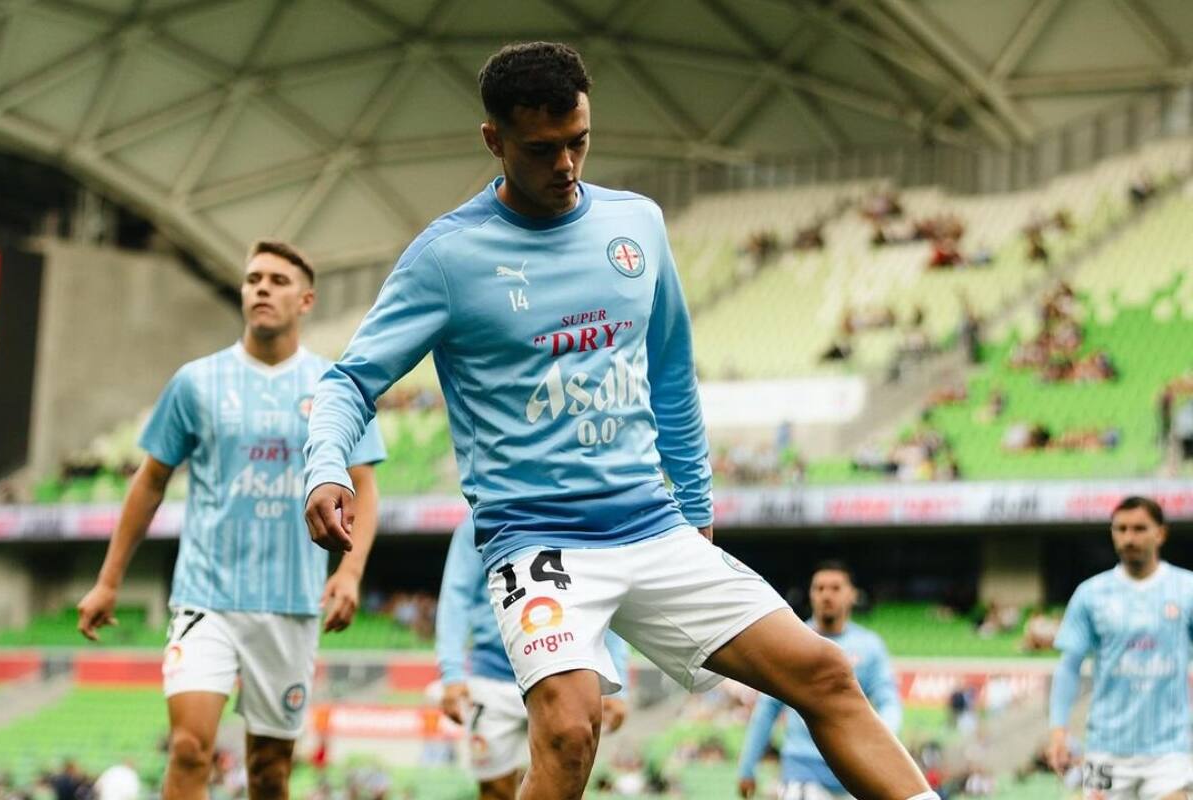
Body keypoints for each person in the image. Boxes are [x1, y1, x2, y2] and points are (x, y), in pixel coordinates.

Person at [303, 41, 934, 800]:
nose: (566, 165)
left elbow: (670, 368)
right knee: (572, 731)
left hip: (650, 525)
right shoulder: (449, 257)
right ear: (493, 140)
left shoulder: (637, 224)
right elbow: (348, 382)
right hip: (536, 538)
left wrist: (697, 507)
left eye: (579, 142)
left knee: (825, 674)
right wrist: (326, 467)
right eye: (543, 149)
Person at [76, 240, 386, 800]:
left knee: (269, 772)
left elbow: (363, 484)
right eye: (252, 279)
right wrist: (108, 581)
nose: (261, 288)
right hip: (206, 597)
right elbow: (149, 481)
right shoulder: (196, 381)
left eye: (277, 280)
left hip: (290, 604)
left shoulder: (335, 386)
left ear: (307, 299)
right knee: (190, 749)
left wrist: (350, 571)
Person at [436, 514, 630, 799]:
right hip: (493, 677)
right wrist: (452, 673)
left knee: (568, 781)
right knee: (494, 790)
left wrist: (617, 680)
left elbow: (602, 596)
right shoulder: (478, 523)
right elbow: (456, 594)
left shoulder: (578, 514)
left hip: (565, 671)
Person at [1048, 496, 1193, 800]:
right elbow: (1069, 665)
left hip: (1170, 749)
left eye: (1140, 528)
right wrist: (1058, 729)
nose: (1129, 537)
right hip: (1104, 749)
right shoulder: (1091, 594)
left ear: (1161, 533)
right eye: (1121, 529)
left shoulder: (1186, 589)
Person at [737, 562, 902, 800]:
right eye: (819, 588)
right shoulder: (792, 642)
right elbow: (768, 708)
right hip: (802, 770)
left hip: (856, 771)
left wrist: (883, 740)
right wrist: (747, 766)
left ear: (852, 595)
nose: (826, 595)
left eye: (835, 588)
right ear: (811, 594)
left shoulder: (870, 647)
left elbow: (889, 702)